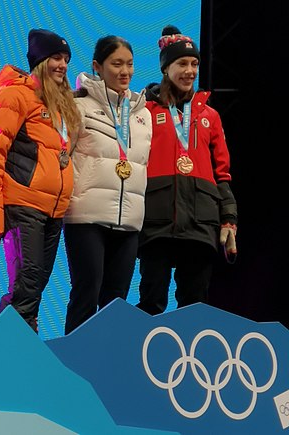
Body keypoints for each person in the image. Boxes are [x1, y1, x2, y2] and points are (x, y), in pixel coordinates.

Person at [0, 28, 81, 333]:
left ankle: (12, 355)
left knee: (32, 291)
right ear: (39, 61)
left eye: (65, 59)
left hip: (52, 211)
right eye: (54, 58)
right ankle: (0, 362)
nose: (61, 65)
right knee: (26, 287)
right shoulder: (16, 94)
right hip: (22, 204)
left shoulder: (60, 104)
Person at [136, 25, 238, 315]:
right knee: (151, 303)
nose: (190, 71)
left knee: (194, 308)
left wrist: (229, 218)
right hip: (157, 219)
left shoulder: (210, 115)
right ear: (166, 67)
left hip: (201, 221)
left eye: (194, 64)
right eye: (182, 63)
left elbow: (223, 174)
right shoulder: (145, 111)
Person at [63, 35, 152, 334]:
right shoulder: (77, 105)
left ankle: (107, 373)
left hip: (128, 221)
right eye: (116, 64)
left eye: (129, 64)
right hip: (86, 215)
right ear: (97, 67)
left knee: (116, 303)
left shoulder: (143, 114)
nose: (125, 71)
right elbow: (63, 157)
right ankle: (69, 368)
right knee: (86, 293)